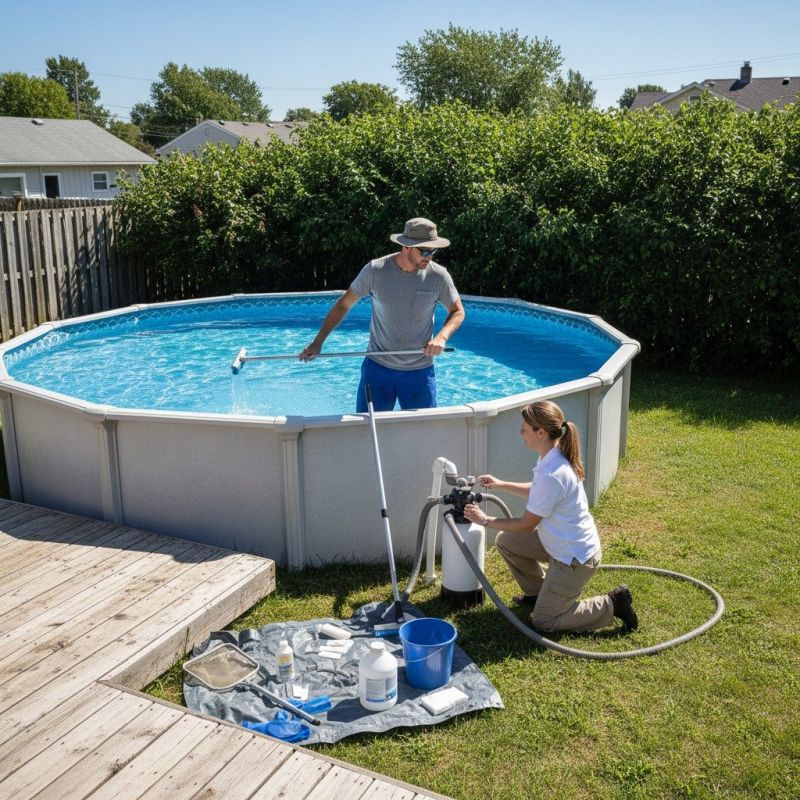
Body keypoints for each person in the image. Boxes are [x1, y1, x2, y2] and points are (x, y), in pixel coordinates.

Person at [463, 400, 639, 633]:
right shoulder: (551, 457)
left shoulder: (553, 473)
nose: (520, 432)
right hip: (558, 544)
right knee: (505, 541)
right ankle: (537, 594)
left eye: (524, 427)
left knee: (544, 622)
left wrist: (485, 520)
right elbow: (538, 490)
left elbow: (526, 525)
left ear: (541, 432)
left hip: (575, 558)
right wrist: (501, 484)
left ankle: (612, 604)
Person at [299, 218, 465, 412]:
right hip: (377, 368)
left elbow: (458, 311)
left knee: (423, 435)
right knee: (367, 430)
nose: (429, 256)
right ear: (406, 246)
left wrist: (442, 337)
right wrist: (318, 341)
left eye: (433, 250)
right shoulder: (375, 270)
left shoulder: (439, 276)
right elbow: (343, 305)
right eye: (425, 250)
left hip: (419, 371)